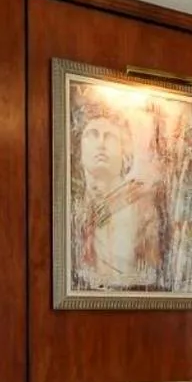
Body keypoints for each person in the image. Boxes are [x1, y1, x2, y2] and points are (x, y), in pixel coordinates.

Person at [71, 100, 167, 290]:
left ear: (124, 150)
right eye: (92, 135)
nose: (101, 144)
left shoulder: (140, 203)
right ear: (79, 149)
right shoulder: (73, 206)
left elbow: (151, 274)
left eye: (110, 137)